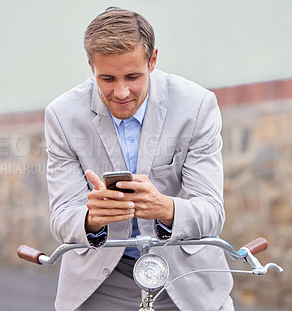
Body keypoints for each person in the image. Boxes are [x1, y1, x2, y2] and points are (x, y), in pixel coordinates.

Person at [44, 7, 234, 311]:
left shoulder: (197, 106)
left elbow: (212, 213)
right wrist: (92, 218)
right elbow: (62, 217)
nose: (121, 92)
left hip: (186, 277)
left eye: (133, 76)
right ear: (90, 66)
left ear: (153, 60)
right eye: (107, 78)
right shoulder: (62, 116)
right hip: (102, 279)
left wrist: (165, 208)